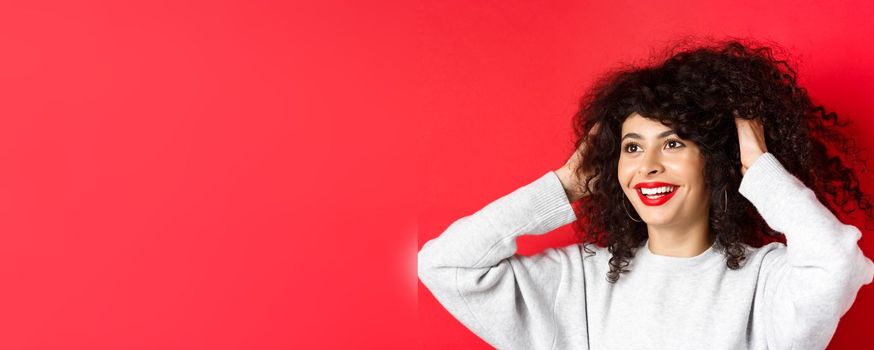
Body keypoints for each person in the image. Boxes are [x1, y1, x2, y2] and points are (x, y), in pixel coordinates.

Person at [417, 39, 874, 349]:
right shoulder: (580, 280)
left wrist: (757, 167)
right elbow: (444, 264)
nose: (647, 165)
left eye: (673, 143)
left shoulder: (768, 280)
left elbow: (838, 262)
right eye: (632, 147)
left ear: (717, 159)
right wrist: (565, 185)